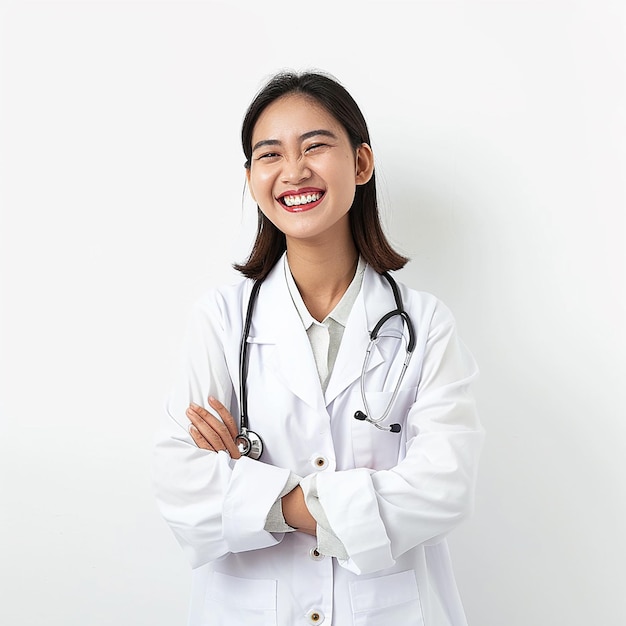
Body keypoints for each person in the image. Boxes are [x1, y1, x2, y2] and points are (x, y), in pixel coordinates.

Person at [153, 70, 484, 626]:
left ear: (360, 164)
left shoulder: (425, 325)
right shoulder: (221, 319)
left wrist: (261, 495)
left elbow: (445, 487)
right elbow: (180, 483)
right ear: (252, 177)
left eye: (315, 146)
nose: (293, 171)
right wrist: (363, 502)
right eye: (270, 155)